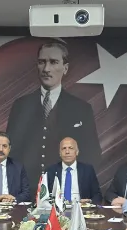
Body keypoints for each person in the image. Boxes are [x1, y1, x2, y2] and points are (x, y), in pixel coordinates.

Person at [7, 41, 101, 191]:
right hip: (27, 190)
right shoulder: (21, 105)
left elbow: (92, 153)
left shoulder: (81, 108)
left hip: (66, 189)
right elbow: (12, 152)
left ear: (65, 68)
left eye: (53, 62)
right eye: (42, 62)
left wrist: (77, 186)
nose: (46, 69)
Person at [45, 137, 103, 204]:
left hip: (81, 208)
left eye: (71, 148)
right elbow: (43, 196)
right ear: (60, 153)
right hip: (57, 209)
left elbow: (97, 195)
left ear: (77, 152)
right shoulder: (51, 170)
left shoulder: (87, 170)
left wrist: (89, 201)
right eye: (64, 148)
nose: (67, 152)